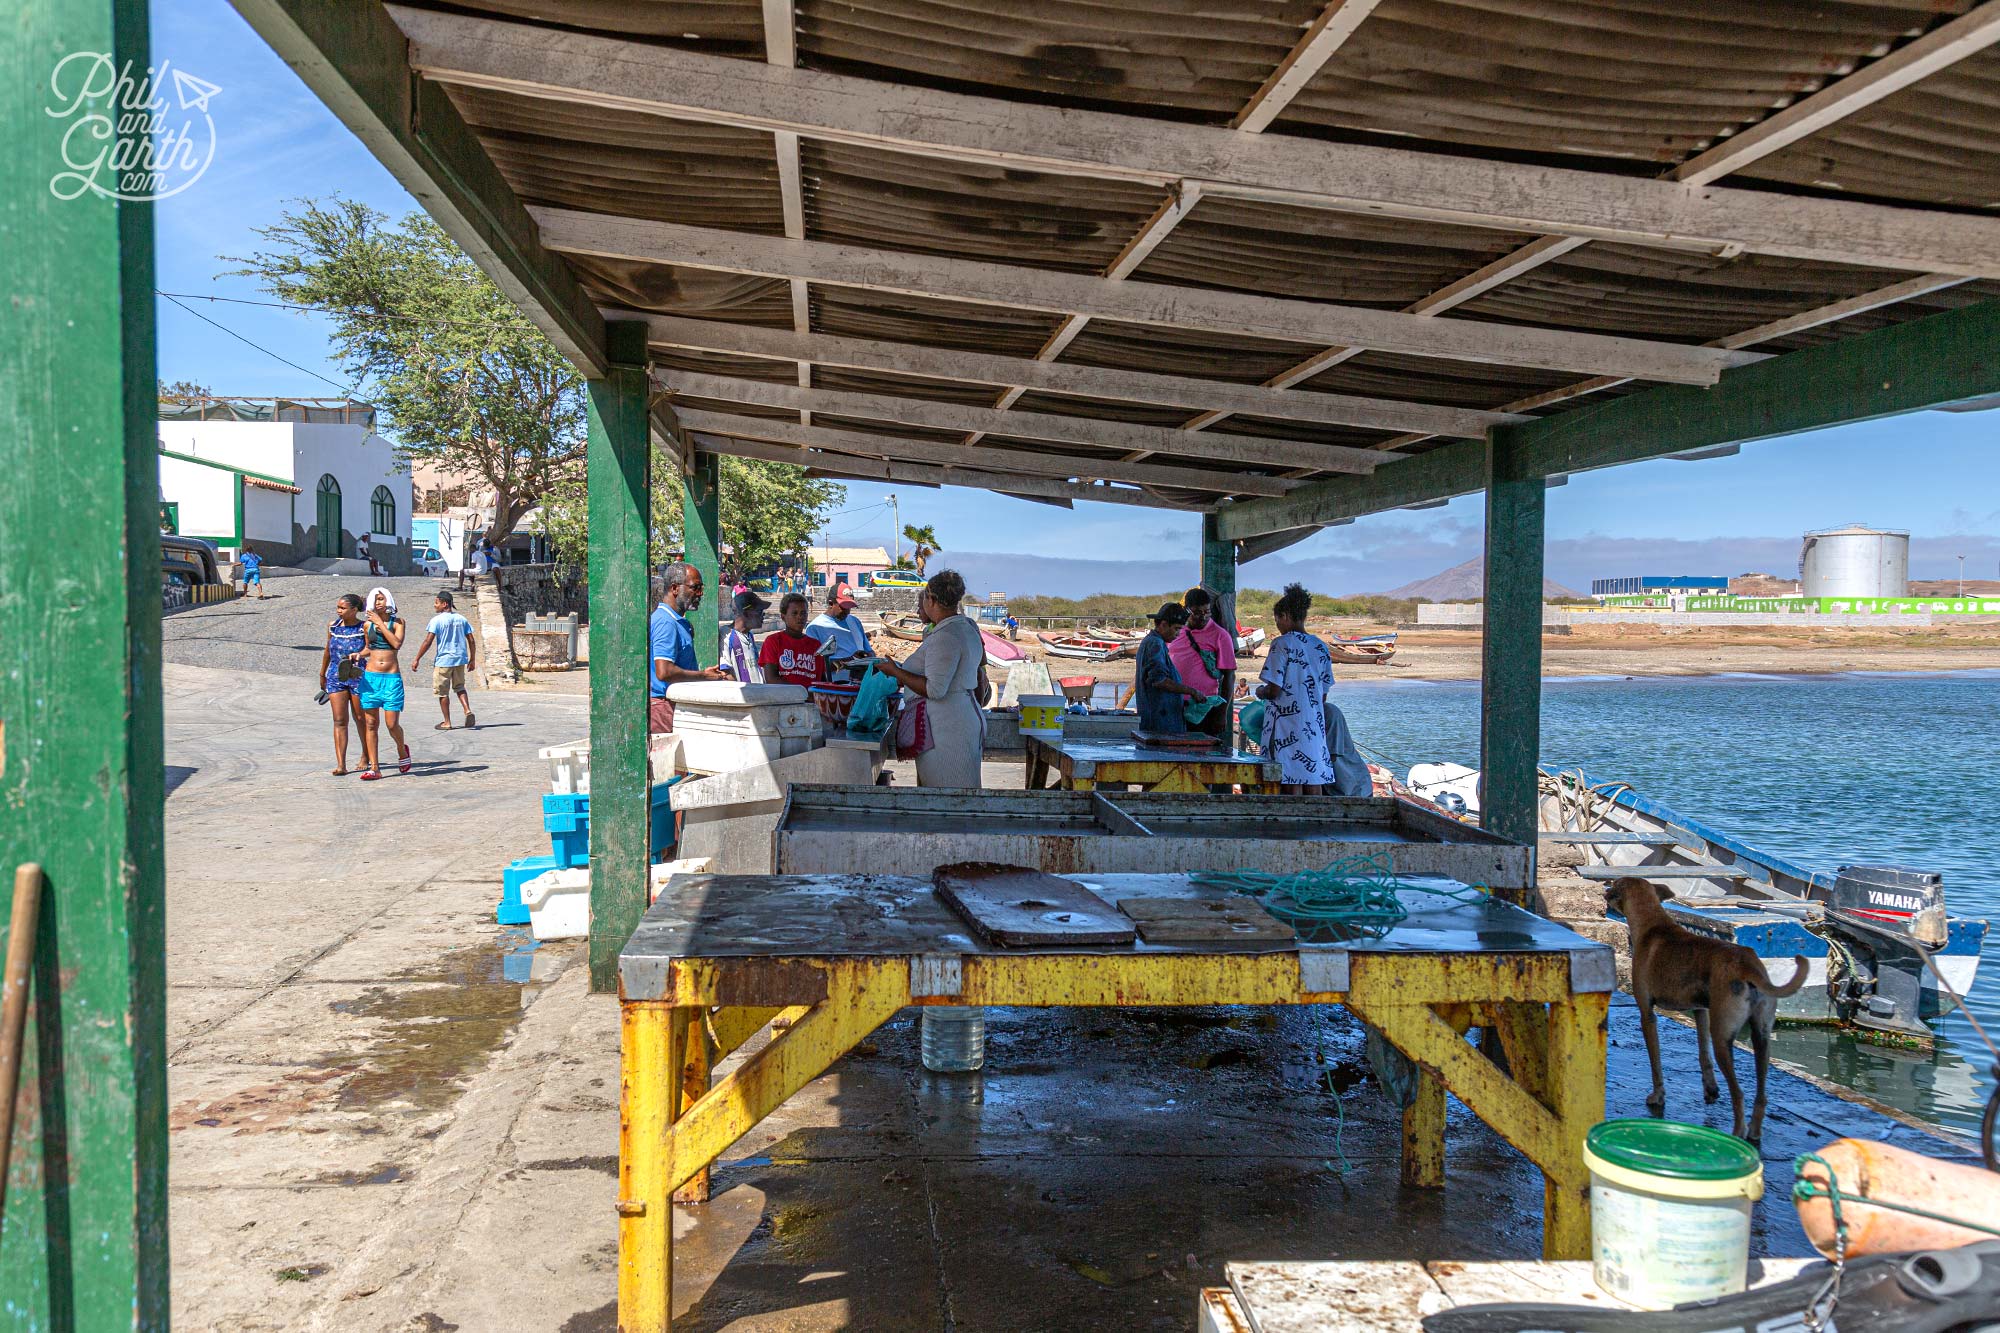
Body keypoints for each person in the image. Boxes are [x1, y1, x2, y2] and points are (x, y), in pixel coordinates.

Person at [874, 570, 986, 787]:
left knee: (946, 796)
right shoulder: (966, 627)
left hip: (947, 728)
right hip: (961, 718)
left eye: (924, 597)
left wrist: (896, 672)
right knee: (958, 791)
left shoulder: (945, 637)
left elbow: (935, 689)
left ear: (931, 599)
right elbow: (980, 665)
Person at [1257, 584, 1336, 793]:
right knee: (1312, 777)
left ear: (1285, 616)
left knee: (1288, 779)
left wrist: (1260, 692)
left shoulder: (1282, 644)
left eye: (1277, 621)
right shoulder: (1320, 646)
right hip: (1313, 724)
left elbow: (1273, 690)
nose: (1278, 626)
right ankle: (1316, 824)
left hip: (1286, 724)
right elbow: (1324, 694)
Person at [649, 562, 731, 733]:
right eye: (696, 587)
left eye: (701, 588)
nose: (700, 593)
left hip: (674, 705)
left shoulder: (677, 621)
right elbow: (664, 671)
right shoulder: (666, 622)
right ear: (675, 588)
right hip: (664, 707)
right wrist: (703, 676)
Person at [356, 586, 411, 780]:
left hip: (391, 678)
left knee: (391, 724)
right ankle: (375, 767)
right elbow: (368, 648)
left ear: (388, 600)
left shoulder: (398, 622)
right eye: (375, 599)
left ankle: (401, 750)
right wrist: (357, 654)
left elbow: (396, 644)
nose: (379, 602)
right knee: (371, 723)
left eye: (382, 599)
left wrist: (379, 622)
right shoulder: (366, 625)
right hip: (371, 678)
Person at [1169, 586, 1237, 740]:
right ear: (1186, 610)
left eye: (1207, 612)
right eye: (1197, 613)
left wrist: (1221, 714)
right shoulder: (1176, 631)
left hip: (1204, 707)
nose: (1203, 617)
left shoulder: (1221, 635)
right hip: (1174, 705)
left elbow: (1229, 676)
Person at [1132, 602, 1208, 737]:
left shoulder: (1153, 642)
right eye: (1176, 629)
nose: (1178, 634)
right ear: (1163, 625)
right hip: (1159, 724)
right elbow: (1159, 680)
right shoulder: (1155, 643)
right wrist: (1192, 691)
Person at [317, 592, 369, 775]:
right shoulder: (333, 626)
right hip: (335, 676)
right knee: (339, 720)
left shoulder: (364, 627)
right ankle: (341, 764)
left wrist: (360, 655)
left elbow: (370, 648)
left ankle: (366, 754)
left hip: (358, 676)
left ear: (354, 610)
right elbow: (327, 650)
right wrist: (322, 673)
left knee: (360, 718)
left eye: (343, 608)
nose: (339, 611)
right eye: (338, 607)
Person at [412, 589, 478, 730]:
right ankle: (467, 710)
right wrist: (472, 659)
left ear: (444, 604)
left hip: (444, 661)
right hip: (460, 660)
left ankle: (447, 722)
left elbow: (427, 641)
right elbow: (471, 640)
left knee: (442, 692)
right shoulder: (461, 619)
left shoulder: (436, 621)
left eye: (436, 602)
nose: (434, 605)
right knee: (460, 687)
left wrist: (417, 658)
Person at [758, 593, 827, 688]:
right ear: (783, 617)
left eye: (803, 613)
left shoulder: (815, 645)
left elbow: (822, 680)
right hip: (785, 701)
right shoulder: (773, 641)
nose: (800, 617)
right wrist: (803, 692)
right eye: (794, 613)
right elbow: (771, 679)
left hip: (812, 701)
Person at [805, 583, 871, 681]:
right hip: (835, 687)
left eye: (850, 607)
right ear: (831, 603)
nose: (848, 611)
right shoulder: (815, 628)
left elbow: (869, 651)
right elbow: (813, 666)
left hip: (860, 683)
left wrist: (868, 657)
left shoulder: (854, 622)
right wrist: (850, 661)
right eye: (844, 607)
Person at [723, 588, 769, 684]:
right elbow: (725, 674)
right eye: (760, 612)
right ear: (746, 614)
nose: (763, 616)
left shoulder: (749, 635)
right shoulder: (726, 636)